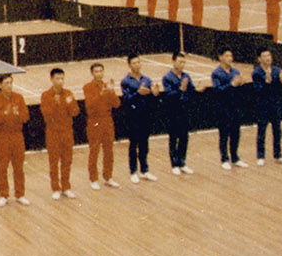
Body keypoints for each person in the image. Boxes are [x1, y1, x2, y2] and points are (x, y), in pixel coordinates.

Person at [0, 73, 30, 205]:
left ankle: (20, 194)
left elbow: (25, 117)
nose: (9, 86)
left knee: (18, 167)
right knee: (2, 167)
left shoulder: (19, 98)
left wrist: (17, 114)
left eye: (11, 83)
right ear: (0, 85)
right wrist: (4, 113)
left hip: (17, 136)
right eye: (6, 83)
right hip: (2, 137)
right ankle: (3, 195)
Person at [39, 67, 80, 198]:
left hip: (67, 132)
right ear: (51, 79)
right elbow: (46, 115)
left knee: (67, 161)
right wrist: (54, 104)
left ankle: (66, 187)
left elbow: (75, 112)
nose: (60, 81)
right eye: (57, 78)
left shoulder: (68, 93)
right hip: (53, 133)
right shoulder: (46, 95)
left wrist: (68, 104)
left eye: (62, 78)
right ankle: (55, 188)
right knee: (54, 162)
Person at [119, 55, 159, 183]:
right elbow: (125, 98)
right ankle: (133, 171)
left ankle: (145, 170)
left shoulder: (147, 79)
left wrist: (154, 93)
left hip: (145, 115)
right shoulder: (125, 81)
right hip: (132, 116)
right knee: (133, 144)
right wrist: (138, 93)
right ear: (129, 65)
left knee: (144, 143)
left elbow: (152, 97)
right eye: (134, 63)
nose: (137, 65)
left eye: (138, 62)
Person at [82, 63, 121, 190]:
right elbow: (90, 106)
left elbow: (116, 104)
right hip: (95, 121)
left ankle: (108, 177)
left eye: (101, 71)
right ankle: (93, 178)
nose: (99, 73)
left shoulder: (107, 86)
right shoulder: (87, 87)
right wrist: (101, 94)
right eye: (96, 71)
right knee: (94, 150)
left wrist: (111, 91)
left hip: (107, 120)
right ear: (92, 73)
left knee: (109, 150)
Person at [160, 52, 198, 174]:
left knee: (184, 137)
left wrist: (197, 89)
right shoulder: (167, 77)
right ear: (173, 61)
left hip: (184, 110)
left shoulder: (186, 76)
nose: (182, 65)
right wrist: (180, 89)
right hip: (173, 111)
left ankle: (182, 162)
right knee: (173, 138)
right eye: (180, 62)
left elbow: (191, 89)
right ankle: (174, 164)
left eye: (184, 62)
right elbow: (168, 94)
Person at [250, 48, 282, 166]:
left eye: (269, 56)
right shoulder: (256, 72)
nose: (268, 58)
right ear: (259, 59)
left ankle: (278, 155)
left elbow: (280, 88)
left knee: (277, 131)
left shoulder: (277, 70)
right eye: (264, 56)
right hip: (262, 105)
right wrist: (266, 83)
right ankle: (260, 156)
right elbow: (257, 89)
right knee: (262, 131)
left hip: (275, 104)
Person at [211, 49, 247, 169]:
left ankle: (235, 157)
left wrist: (241, 84)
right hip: (223, 107)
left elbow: (238, 89)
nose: (230, 58)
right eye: (227, 56)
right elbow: (218, 90)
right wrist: (231, 85)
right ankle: (224, 158)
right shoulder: (216, 73)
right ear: (220, 57)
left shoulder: (235, 71)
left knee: (235, 132)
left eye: (231, 55)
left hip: (235, 106)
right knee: (224, 133)